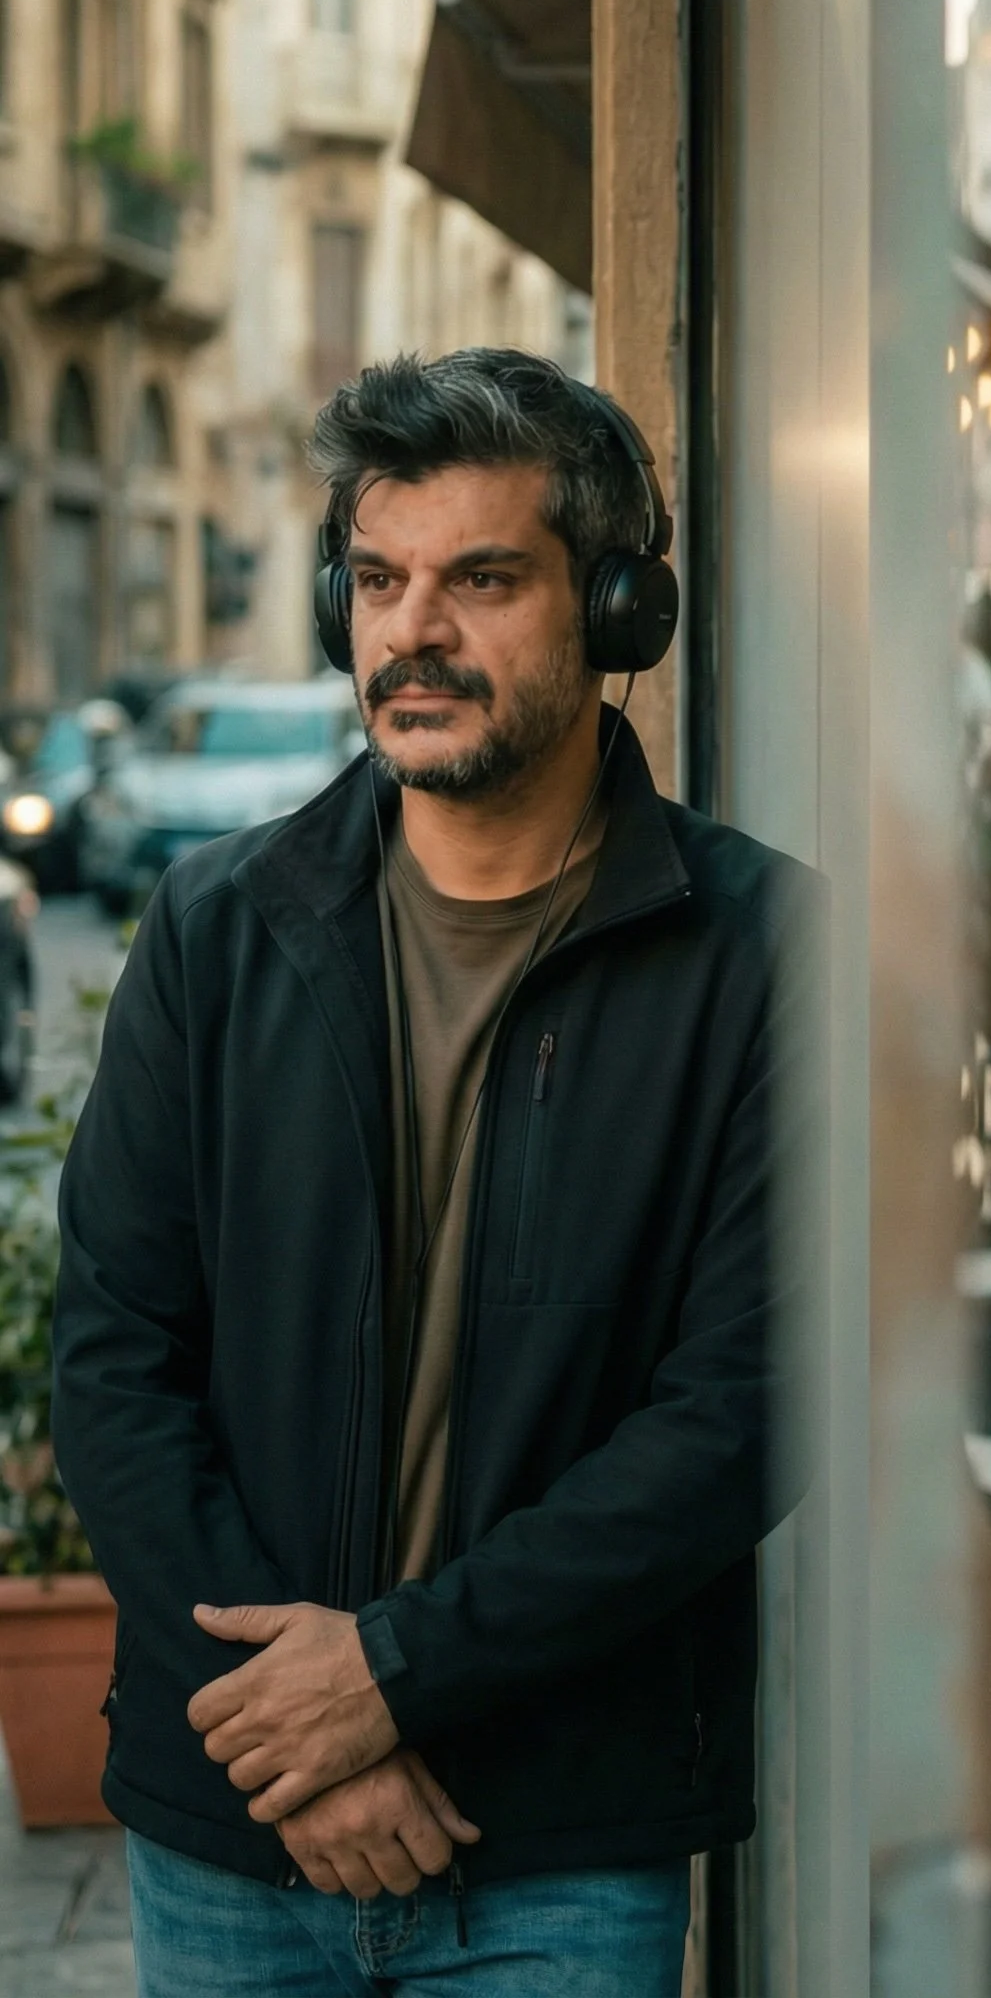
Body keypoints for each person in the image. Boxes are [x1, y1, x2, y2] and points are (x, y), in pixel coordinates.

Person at [53, 348, 810, 1996]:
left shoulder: (763, 954)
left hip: (556, 1844)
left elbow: (744, 1413)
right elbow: (114, 1365)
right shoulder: (212, 930)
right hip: (236, 1825)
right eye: (381, 582)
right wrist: (296, 1737)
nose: (416, 632)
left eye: (484, 579)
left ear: (616, 609)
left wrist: (389, 1679)